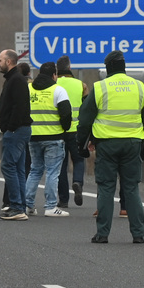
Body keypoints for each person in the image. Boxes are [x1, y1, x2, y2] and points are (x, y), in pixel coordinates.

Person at [77, 50, 144, 243]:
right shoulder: (139, 87)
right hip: (132, 144)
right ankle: (139, 234)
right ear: (124, 66)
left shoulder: (100, 87)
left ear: (108, 67)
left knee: (106, 188)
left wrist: (82, 144)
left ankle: (102, 234)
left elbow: (85, 120)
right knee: (131, 189)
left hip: (107, 145)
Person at [25, 61, 71, 217]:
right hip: (54, 137)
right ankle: (51, 206)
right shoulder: (58, 90)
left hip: (33, 136)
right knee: (52, 172)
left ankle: (28, 205)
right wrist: (64, 129)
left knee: (35, 171)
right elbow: (66, 114)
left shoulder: (29, 88)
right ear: (54, 75)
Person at [0, 49, 32, 221]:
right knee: (17, 168)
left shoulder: (16, 80)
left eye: (0, 60)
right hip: (18, 130)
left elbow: (19, 107)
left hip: (16, 131)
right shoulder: (13, 79)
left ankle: (17, 206)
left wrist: (10, 127)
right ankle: (19, 206)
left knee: (8, 166)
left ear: (9, 62)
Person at [55, 56, 88, 208]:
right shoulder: (81, 85)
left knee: (61, 165)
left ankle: (63, 200)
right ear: (69, 68)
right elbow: (88, 108)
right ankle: (77, 182)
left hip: (59, 130)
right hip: (76, 131)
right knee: (79, 160)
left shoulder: (54, 84)